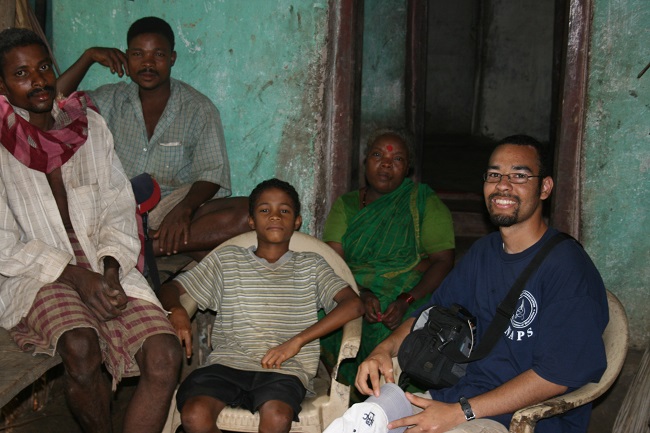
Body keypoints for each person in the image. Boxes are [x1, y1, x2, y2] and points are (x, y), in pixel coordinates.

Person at [355, 135, 609, 433]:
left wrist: (460, 413)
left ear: (545, 187)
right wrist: (382, 350)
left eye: (519, 175)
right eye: (494, 175)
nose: (503, 184)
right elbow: (431, 312)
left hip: (523, 419)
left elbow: (555, 376)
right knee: (361, 421)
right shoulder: (484, 252)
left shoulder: (568, 268)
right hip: (456, 397)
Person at [0, 28, 182, 433]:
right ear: (2, 84)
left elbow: (118, 207)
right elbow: (4, 244)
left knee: (165, 355)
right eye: (22, 73)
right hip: (36, 272)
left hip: (103, 258)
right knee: (81, 347)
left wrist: (112, 268)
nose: (39, 81)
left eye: (44, 67)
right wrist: (77, 277)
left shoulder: (87, 127)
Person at [157, 178, 365, 433]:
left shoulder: (312, 265)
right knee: (194, 414)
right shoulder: (227, 259)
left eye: (284, 211)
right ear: (252, 220)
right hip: (227, 364)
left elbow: (354, 305)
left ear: (297, 221)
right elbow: (170, 288)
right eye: (265, 210)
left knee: (277, 417)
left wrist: (297, 341)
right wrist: (176, 310)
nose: (275, 216)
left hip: (285, 369)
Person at [56, 16, 249, 261]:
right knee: (212, 251)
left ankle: (143, 249)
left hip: (168, 210)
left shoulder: (197, 108)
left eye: (158, 55)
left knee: (247, 211)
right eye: (138, 54)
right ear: (126, 57)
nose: (148, 63)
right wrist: (89, 56)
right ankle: (154, 245)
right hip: (116, 210)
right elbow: (53, 104)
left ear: (172, 59)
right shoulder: (108, 100)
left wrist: (184, 210)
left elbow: (211, 173)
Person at [321, 128, 455, 386]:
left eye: (397, 159)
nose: (386, 164)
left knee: (411, 320)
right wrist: (360, 293)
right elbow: (334, 263)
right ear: (365, 162)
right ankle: (348, 395)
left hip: (411, 291)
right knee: (324, 310)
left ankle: (399, 399)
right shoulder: (346, 205)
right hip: (352, 288)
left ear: (408, 169)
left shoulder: (424, 202)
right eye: (377, 155)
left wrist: (406, 299)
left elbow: (442, 261)